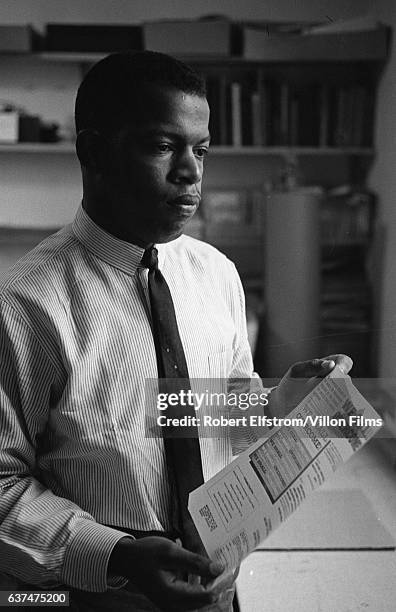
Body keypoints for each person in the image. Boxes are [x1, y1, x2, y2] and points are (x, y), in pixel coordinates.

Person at [0, 51, 352, 611]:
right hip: (92, 595)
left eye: (201, 149)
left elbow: (210, 417)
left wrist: (280, 402)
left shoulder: (217, 275)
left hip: (219, 587)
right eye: (163, 146)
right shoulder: (23, 304)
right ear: (93, 152)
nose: (191, 171)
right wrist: (116, 555)